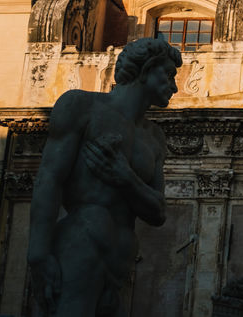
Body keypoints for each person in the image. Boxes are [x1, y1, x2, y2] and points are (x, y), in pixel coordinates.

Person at [28, 37, 181, 316]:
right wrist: (38, 253)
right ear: (147, 68)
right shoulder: (82, 106)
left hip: (122, 260)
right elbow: (49, 179)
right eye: (169, 74)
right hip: (83, 242)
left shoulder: (155, 138)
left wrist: (126, 177)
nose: (174, 86)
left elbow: (158, 212)